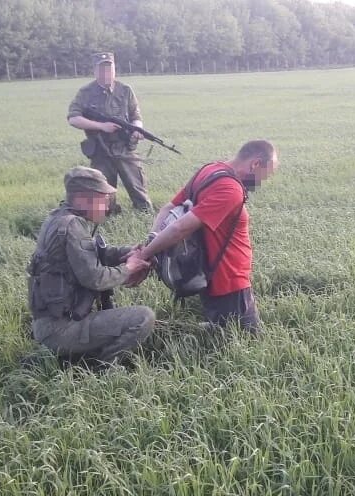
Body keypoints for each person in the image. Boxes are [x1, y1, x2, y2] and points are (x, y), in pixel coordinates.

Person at [135, 140, 279, 334]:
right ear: (255, 164)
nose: (262, 182)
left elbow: (168, 208)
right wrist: (146, 254)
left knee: (222, 326)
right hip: (229, 280)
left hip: (208, 271)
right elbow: (179, 228)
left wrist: (152, 239)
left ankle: (199, 328)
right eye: (265, 175)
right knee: (249, 339)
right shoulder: (230, 189)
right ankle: (167, 331)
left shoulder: (210, 170)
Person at [27, 166, 155, 364]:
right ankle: (104, 365)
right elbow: (95, 278)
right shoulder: (72, 226)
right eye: (103, 200)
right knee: (144, 317)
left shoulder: (59, 217)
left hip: (49, 325)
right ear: (83, 199)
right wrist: (129, 268)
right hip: (61, 330)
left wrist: (126, 252)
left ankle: (82, 353)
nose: (106, 207)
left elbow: (90, 252)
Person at [67, 52, 154, 212]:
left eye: (109, 68)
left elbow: (136, 116)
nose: (106, 73)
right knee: (102, 195)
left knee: (138, 190)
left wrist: (137, 129)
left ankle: (145, 218)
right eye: (102, 69)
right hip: (100, 150)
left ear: (114, 69)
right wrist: (101, 126)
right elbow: (73, 118)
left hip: (125, 148)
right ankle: (109, 218)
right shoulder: (86, 92)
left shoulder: (125, 90)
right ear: (95, 70)